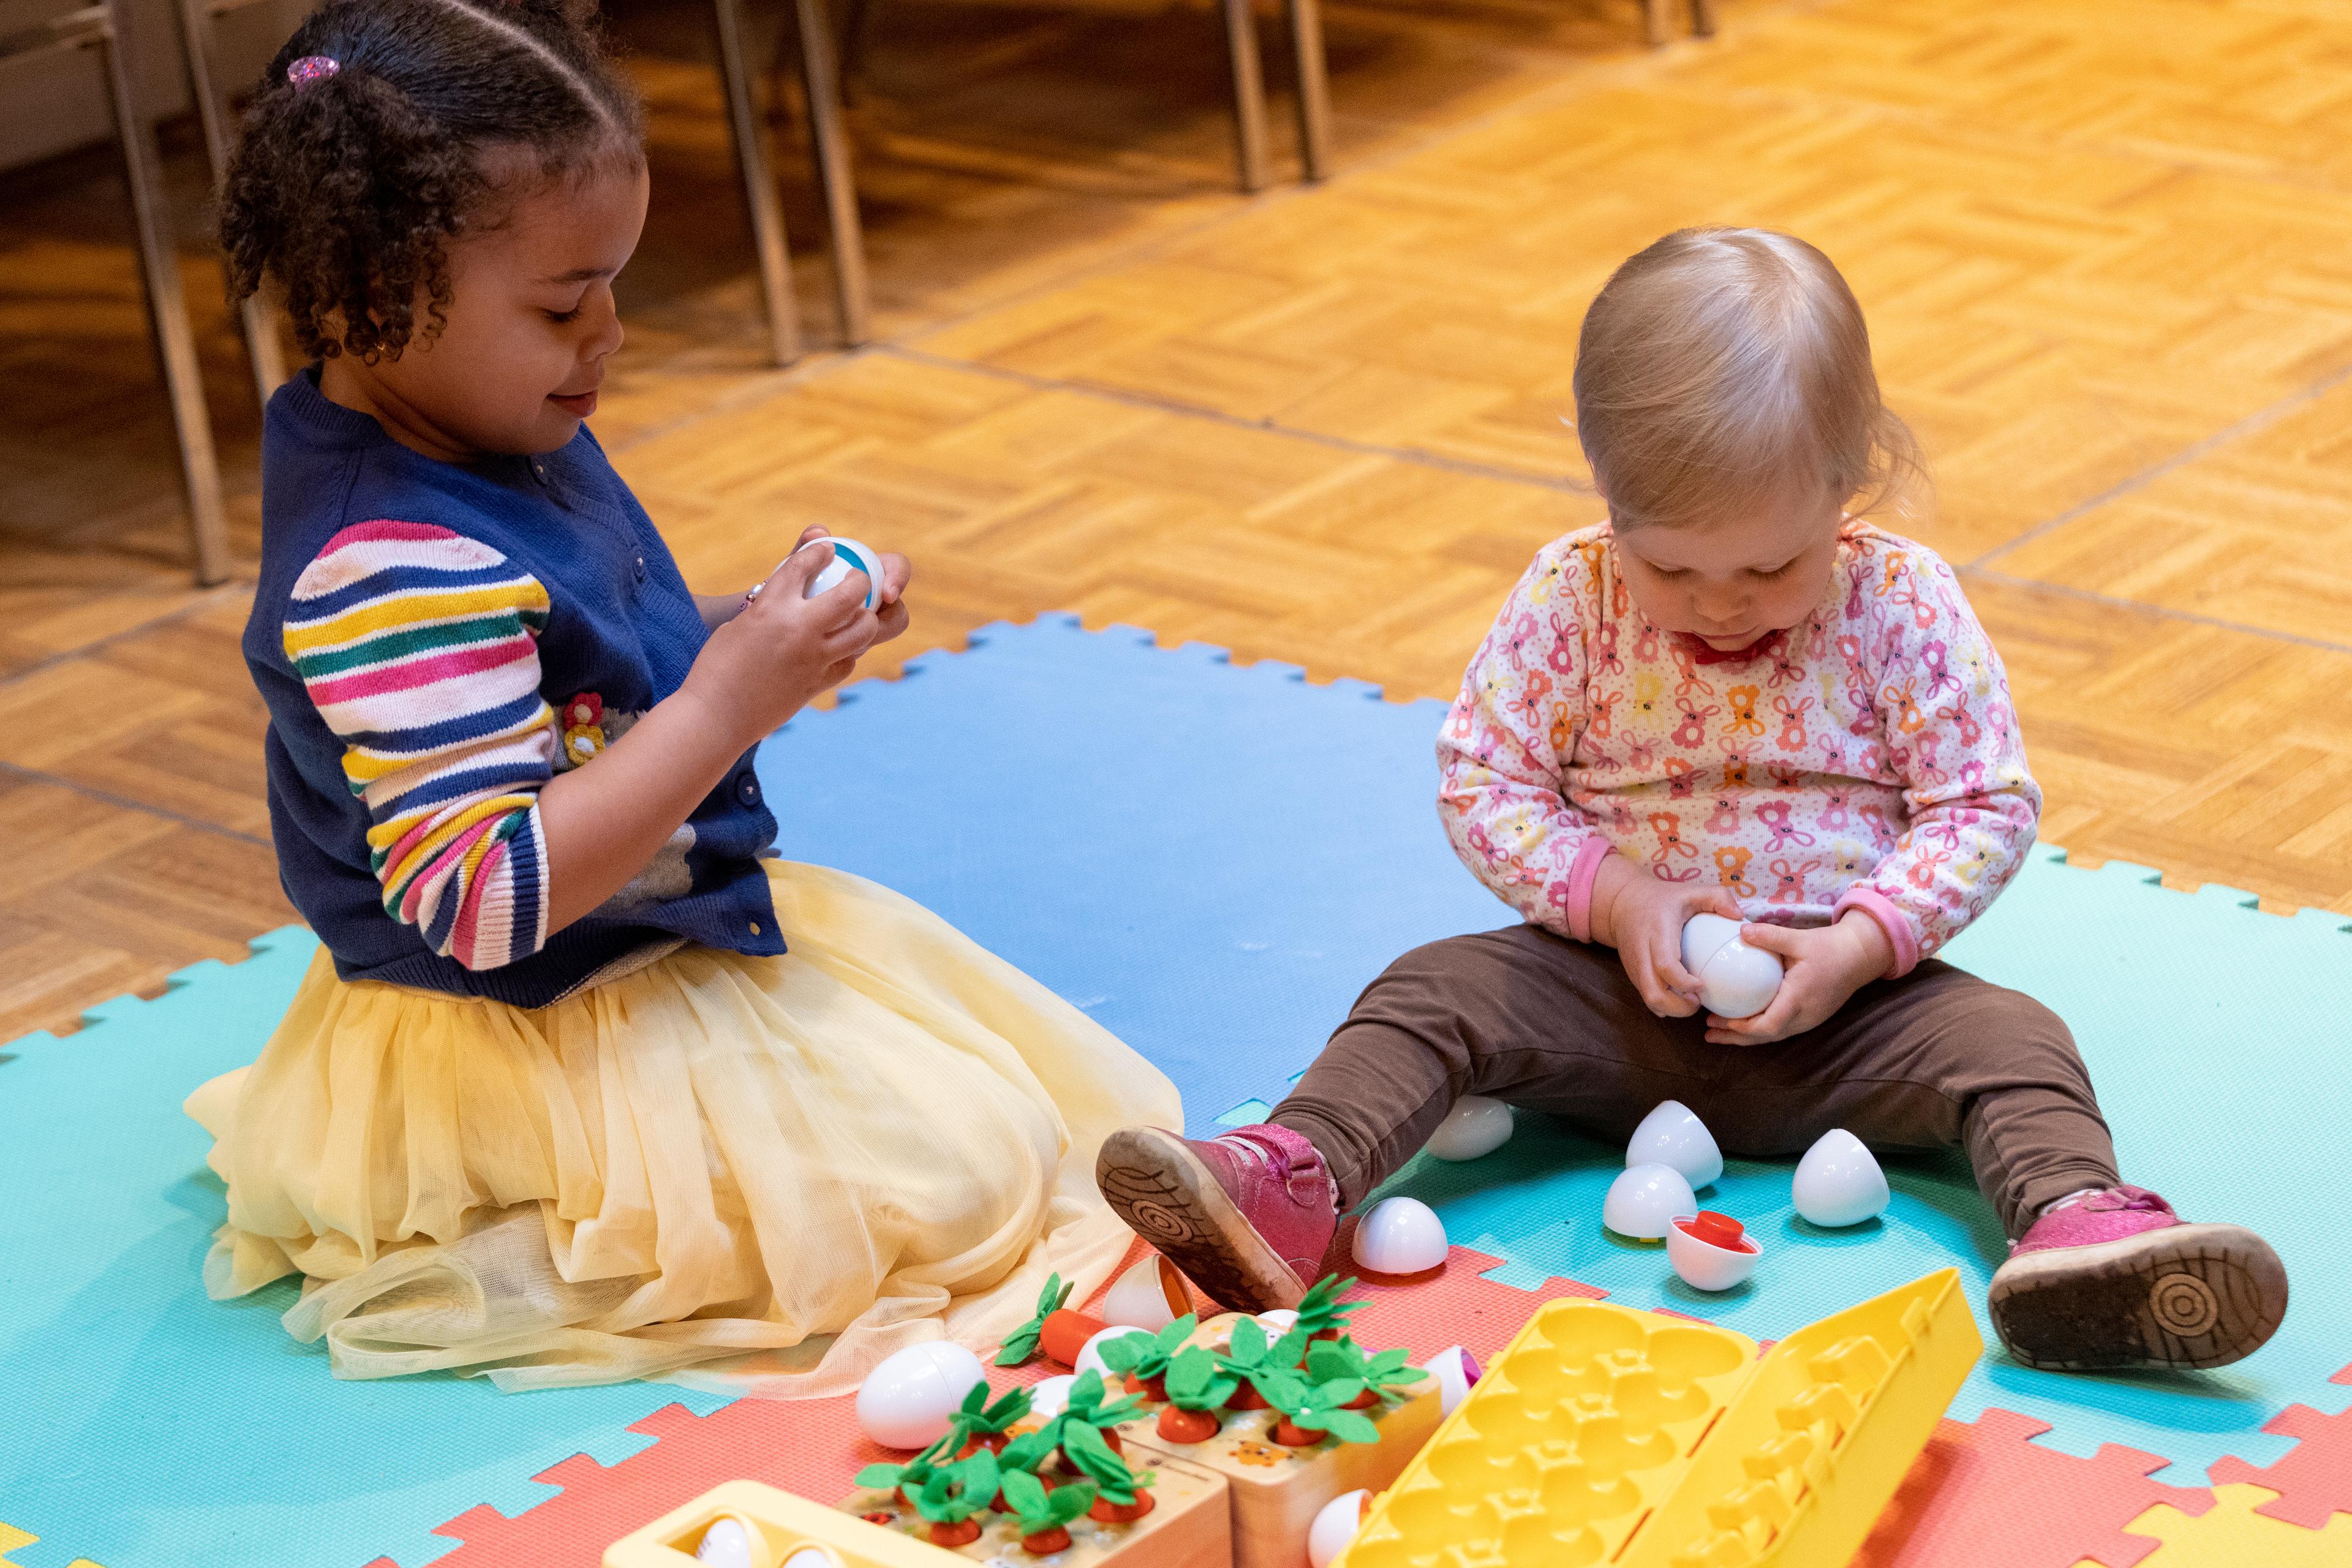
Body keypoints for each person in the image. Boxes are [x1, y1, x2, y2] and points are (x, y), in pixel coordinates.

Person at [186, 0, 1178, 1395]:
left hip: (642, 934)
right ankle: (517, 1223)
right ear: (369, 287)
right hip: (527, 1017)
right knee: (942, 1185)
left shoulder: (477, 416)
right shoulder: (386, 564)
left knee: (1001, 1108)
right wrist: (727, 699)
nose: (611, 332)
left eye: (611, 285)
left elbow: (566, 678)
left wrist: (766, 635)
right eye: (561, 303)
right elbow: (482, 902)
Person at [1096, 227, 2288, 1374]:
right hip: (1610, 998)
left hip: (1852, 1016)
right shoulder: (1575, 596)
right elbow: (1485, 776)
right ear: (1604, 490)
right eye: (1671, 566)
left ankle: (2085, 1240)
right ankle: (1291, 1181)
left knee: (2017, 1040)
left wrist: (1865, 942)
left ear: (1847, 480)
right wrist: (1618, 899)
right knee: (1427, 991)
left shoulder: (1902, 604)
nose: (1722, 605)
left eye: (1771, 567)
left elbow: (1983, 804)